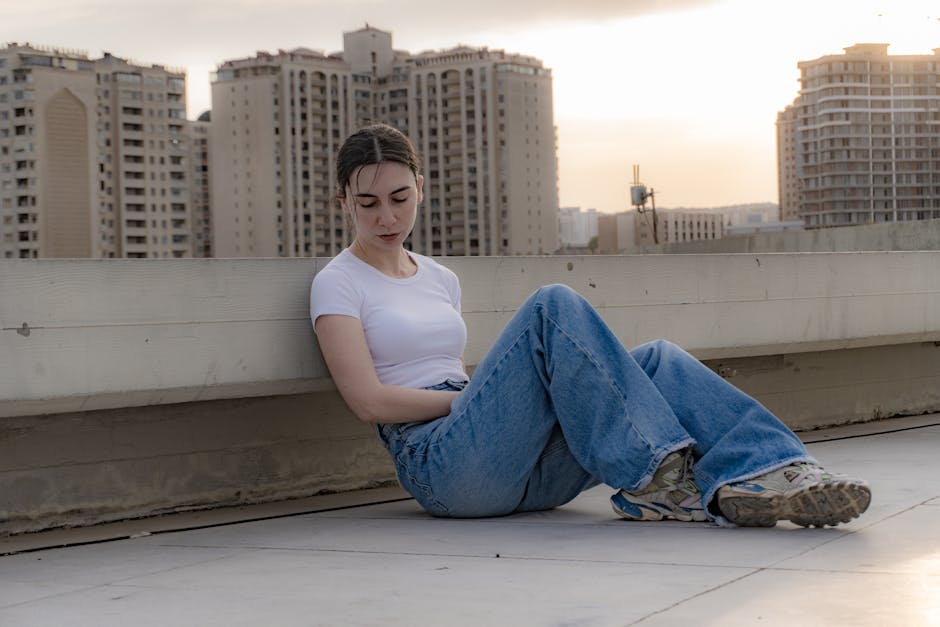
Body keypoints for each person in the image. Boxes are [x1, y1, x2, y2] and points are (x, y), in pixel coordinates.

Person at [309, 123, 871, 527]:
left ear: (420, 189)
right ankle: (663, 481)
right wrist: (466, 403)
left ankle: (781, 470)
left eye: (399, 197)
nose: (387, 216)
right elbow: (368, 402)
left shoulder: (439, 278)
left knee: (655, 361)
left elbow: (462, 378)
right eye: (368, 203)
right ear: (344, 204)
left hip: (516, 469)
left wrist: (486, 398)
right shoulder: (339, 282)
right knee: (552, 304)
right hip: (442, 466)